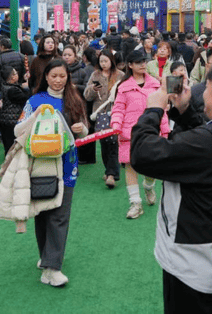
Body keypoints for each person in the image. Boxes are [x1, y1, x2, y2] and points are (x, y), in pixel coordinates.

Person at [130, 61, 212, 313]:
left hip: (189, 256)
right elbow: (210, 138)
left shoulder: (204, 144)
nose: (202, 93)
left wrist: (153, 110)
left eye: (208, 87)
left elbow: (141, 154)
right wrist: (184, 110)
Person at [18, 59, 87, 287]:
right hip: (41, 167)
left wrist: (81, 129)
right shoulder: (35, 101)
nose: (58, 80)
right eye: (54, 76)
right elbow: (18, 130)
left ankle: (52, 267)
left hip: (67, 166)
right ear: (46, 76)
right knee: (42, 213)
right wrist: (34, 117)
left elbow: (85, 131)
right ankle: (47, 258)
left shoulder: (74, 99)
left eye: (62, 76)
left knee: (60, 215)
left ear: (68, 77)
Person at [110, 50, 170, 219]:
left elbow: (163, 110)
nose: (143, 64)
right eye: (138, 62)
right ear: (130, 65)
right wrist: (116, 125)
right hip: (128, 132)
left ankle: (149, 186)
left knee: (151, 166)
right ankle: (135, 202)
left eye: (144, 61)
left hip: (151, 131)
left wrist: (165, 130)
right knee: (130, 166)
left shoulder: (156, 84)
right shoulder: (123, 87)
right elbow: (118, 109)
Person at [84, 50, 124, 188]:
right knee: (104, 143)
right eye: (101, 61)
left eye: (106, 61)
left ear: (111, 61)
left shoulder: (120, 75)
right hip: (100, 113)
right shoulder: (95, 75)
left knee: (113, 142)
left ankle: (112, 174)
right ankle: (109, 170)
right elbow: (87, 96)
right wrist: (93, 89)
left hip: (116, 112)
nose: (103, 64)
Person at [0, 66, 30, 156]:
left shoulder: (6, 86)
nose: (17, 75)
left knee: (8, 145)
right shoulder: (13, 90)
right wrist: (28, 85)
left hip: (6, 119)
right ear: (12, 77)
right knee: (12, 146)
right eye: (15, 73)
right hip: (12, 120)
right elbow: (26, 98)